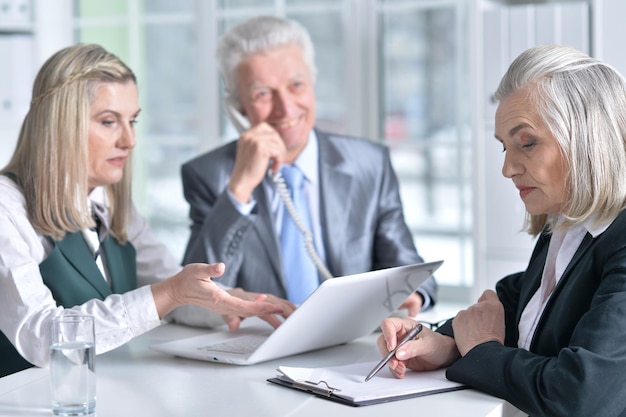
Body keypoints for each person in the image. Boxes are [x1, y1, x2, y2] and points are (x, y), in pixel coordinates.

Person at [0, 43, 294, 378]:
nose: (129, 140)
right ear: (59, 125)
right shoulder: (6, 208)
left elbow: (174, 289)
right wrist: (170, 293)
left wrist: (235, 302)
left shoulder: (109, 204)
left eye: (133, 121)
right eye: (109, 121)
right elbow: (41, 336)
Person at [376, 44, 626, 417]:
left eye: (526, 143)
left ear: (587, 140)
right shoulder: (565, 224)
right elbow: (521, 305)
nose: (508, 169)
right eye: (504, 148)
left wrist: (481, 352)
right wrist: (443, 341)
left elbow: (580, 396)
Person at [181, 15, 437, 313]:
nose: (286, 107)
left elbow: (408, 266)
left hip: (350, 343)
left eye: (296, 85)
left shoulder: (370, 163)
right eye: (262, 93)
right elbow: (194, 298)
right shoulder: (208, 175)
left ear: (313, 83)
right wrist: (239, 190)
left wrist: (413, 295)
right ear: (238, 107)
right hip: (262, 342)